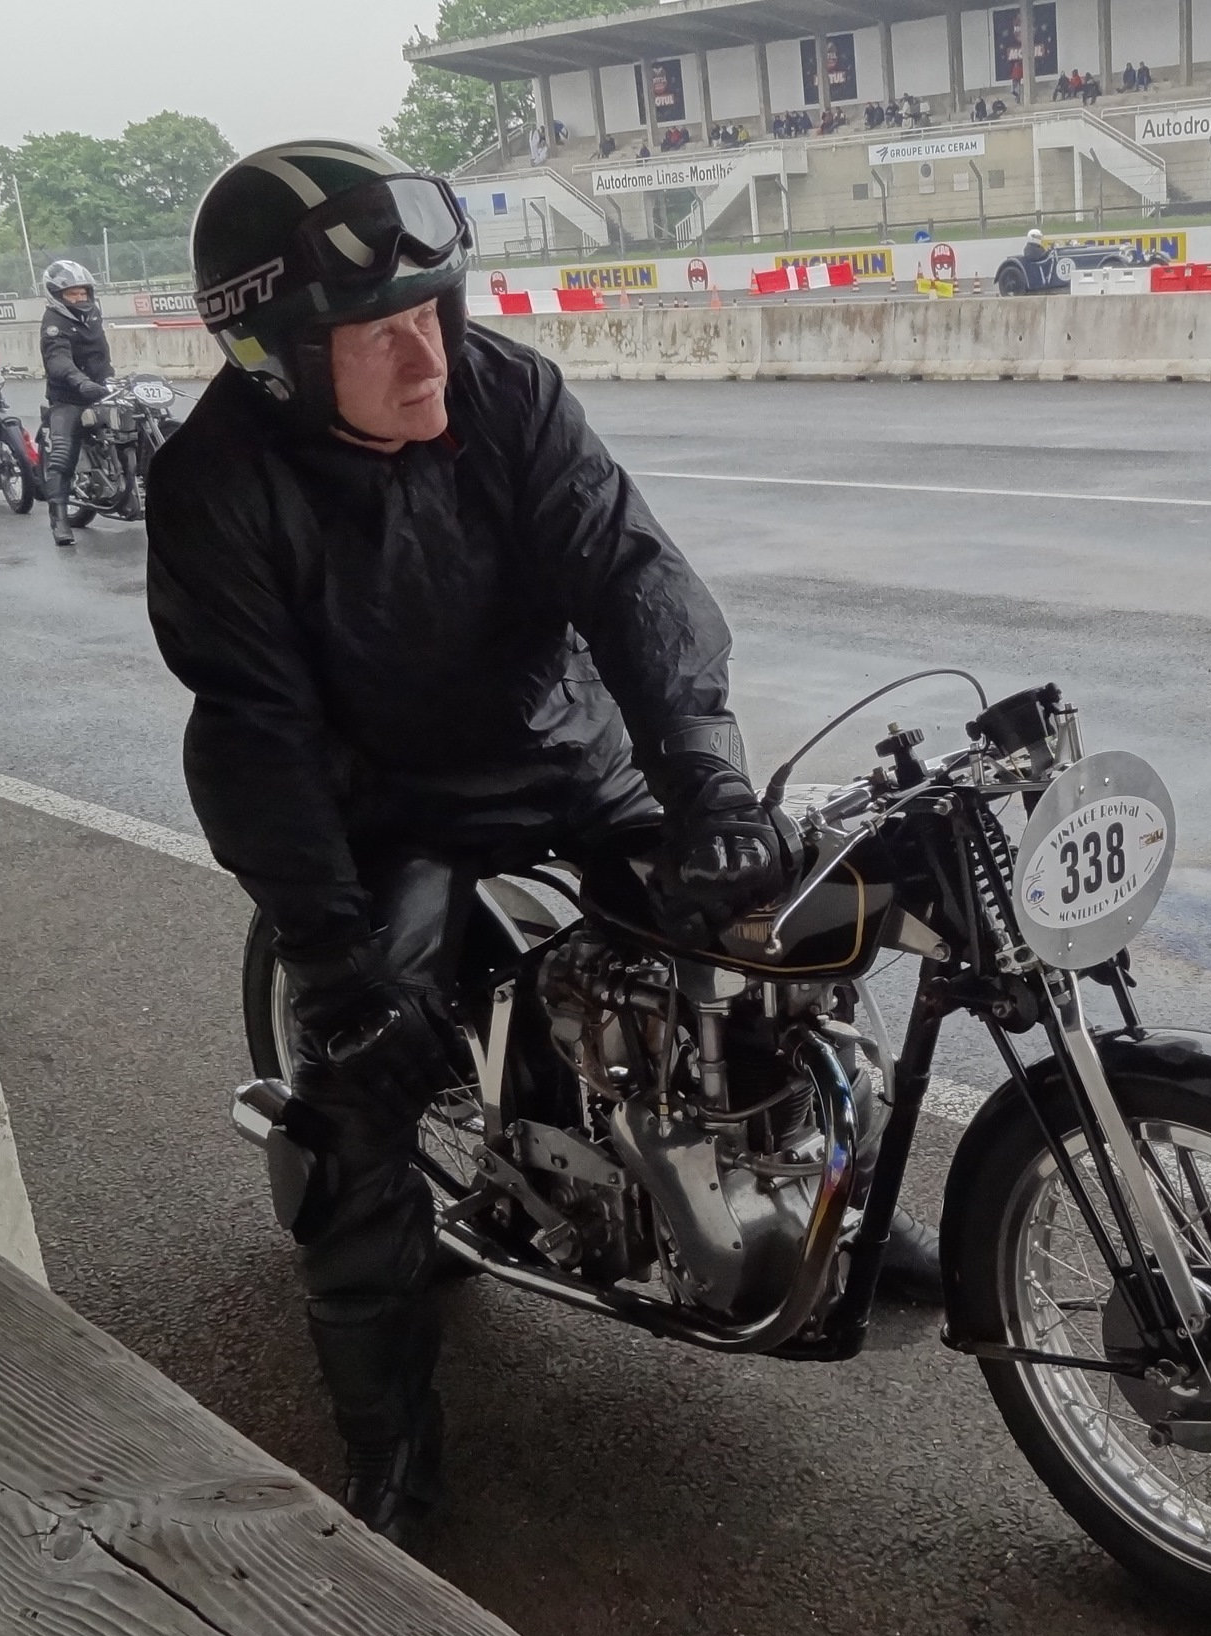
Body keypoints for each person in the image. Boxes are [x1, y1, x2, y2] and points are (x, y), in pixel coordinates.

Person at [148, 139, 945, 1549]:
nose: (426, 355)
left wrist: (709, 786)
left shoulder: (506, 389)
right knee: (353, 1113)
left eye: (433, 310)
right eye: (378, 332)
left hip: (566, 756)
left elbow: (631, 574)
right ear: (276, 356)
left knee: (778, 942)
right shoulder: (216, 481)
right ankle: (391, 1446)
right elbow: (251, 734)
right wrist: (332, 958)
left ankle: (832, 1214)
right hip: (380, 810)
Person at [39, 259, 115, 549]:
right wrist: (80, 381)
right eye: (72, 293)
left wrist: (109, 379)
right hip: (68, 396)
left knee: (142, 423)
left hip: (102, 389)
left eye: (83, 292)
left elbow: (101, 353)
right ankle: (59, 519)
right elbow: (57, 359)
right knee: (62, 454)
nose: (80, 297)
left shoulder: (93, 315)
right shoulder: (53, 323)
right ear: (57, 295)